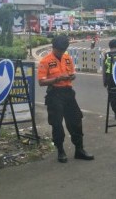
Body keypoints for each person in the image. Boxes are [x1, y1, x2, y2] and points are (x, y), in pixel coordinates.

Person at [38, 35, 94, 163]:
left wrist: (71, 77)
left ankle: (79, 149)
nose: (61, 52)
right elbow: (41, 82)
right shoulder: (45, 61)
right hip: (55, 94)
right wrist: (57, 79)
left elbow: (72, 74)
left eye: (63, 50)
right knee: (57, 123)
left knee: (76, 120)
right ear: (54, 48)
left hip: (68, 93)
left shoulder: (67, 58)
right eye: (59, 50)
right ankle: (60, 151)